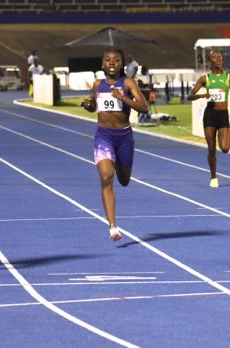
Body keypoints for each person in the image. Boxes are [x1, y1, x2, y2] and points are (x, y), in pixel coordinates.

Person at [80, 48, 148, 241]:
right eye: (107, 60)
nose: (111, 63)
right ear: (102, 64)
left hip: (124, 137)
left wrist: (123, 97)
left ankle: (118, 162)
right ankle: (113, 226)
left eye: (116, 60)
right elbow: (95, 106)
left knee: (124, 180)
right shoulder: (97, 84)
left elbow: (144, 107)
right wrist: (88, 106)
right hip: (104, 136)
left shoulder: (128, 82)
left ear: (121, 64)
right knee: (106, 176)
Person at [188, 50, 230, 188]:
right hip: (210, 115)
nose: (219, 60)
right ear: (211, 61)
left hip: (223, 115)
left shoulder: (229, 78)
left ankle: (222, 145)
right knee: (211, 148)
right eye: (215, 58)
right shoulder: (205, 79)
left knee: (225, 148)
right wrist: (202, 96)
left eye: (220, 58)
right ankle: (213, 177)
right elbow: (190, 95)